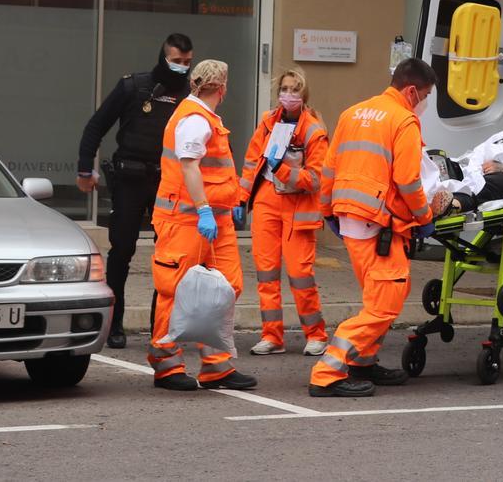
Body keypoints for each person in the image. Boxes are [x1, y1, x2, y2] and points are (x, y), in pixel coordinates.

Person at [308, 58, 442, 398]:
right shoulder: (403, 120)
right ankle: (327, 372)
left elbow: (330, 167)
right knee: (384, 304)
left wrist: (328, 211)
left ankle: (363, 362)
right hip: (379, 222)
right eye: (425, 95)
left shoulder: (354, 113)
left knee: (377, 295)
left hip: (352, 219)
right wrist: (425, 218)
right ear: (412, 90)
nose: (424, 102)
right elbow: (408, 180)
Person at [75, 33, 193, 349]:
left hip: (167, 183)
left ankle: (161, 324)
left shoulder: (190, 94)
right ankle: (114, 325)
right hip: (130, 179)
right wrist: (85, 169)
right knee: (122, 250)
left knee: (167, 256)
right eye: (176, 61)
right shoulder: (133, 86)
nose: (182, 67)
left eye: (187, 62)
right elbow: (96, 126)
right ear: (163, 57)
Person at [148, 59, 256, 392]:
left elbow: (209, 170)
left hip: (211, 219)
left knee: (226, 287)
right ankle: (166, 364)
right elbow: (190, 168)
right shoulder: (194, 119)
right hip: (186, 220)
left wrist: (227, 203)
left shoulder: (203, 117)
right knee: (177, 290)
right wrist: (206, 209)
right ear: (222, 88)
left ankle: (216, 365)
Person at [238, 69, 330, 357]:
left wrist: (281, 169)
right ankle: (272, 336)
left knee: (300, 275)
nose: (288, 94)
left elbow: (315, 179)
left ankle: (316, 335)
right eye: (285, 88)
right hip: (267, 202)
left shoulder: (314, 130)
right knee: (266, 274)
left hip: (297, 209)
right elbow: (252, 163)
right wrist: (240, 200)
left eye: (294, 89)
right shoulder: (268, 123)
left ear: (303, 95)